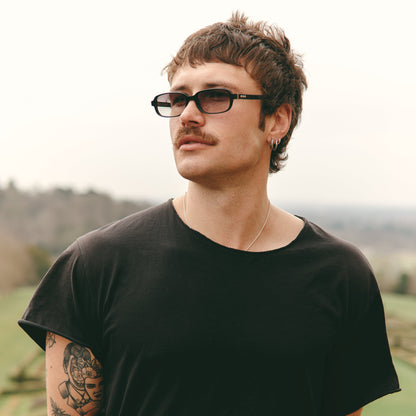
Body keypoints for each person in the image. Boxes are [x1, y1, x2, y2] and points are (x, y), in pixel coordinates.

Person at [19, 12, 400, 416]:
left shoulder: (341, 275)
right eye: (177, 98)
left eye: (216, 96)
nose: (187, 114)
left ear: (277, 120)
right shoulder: (95, 265)